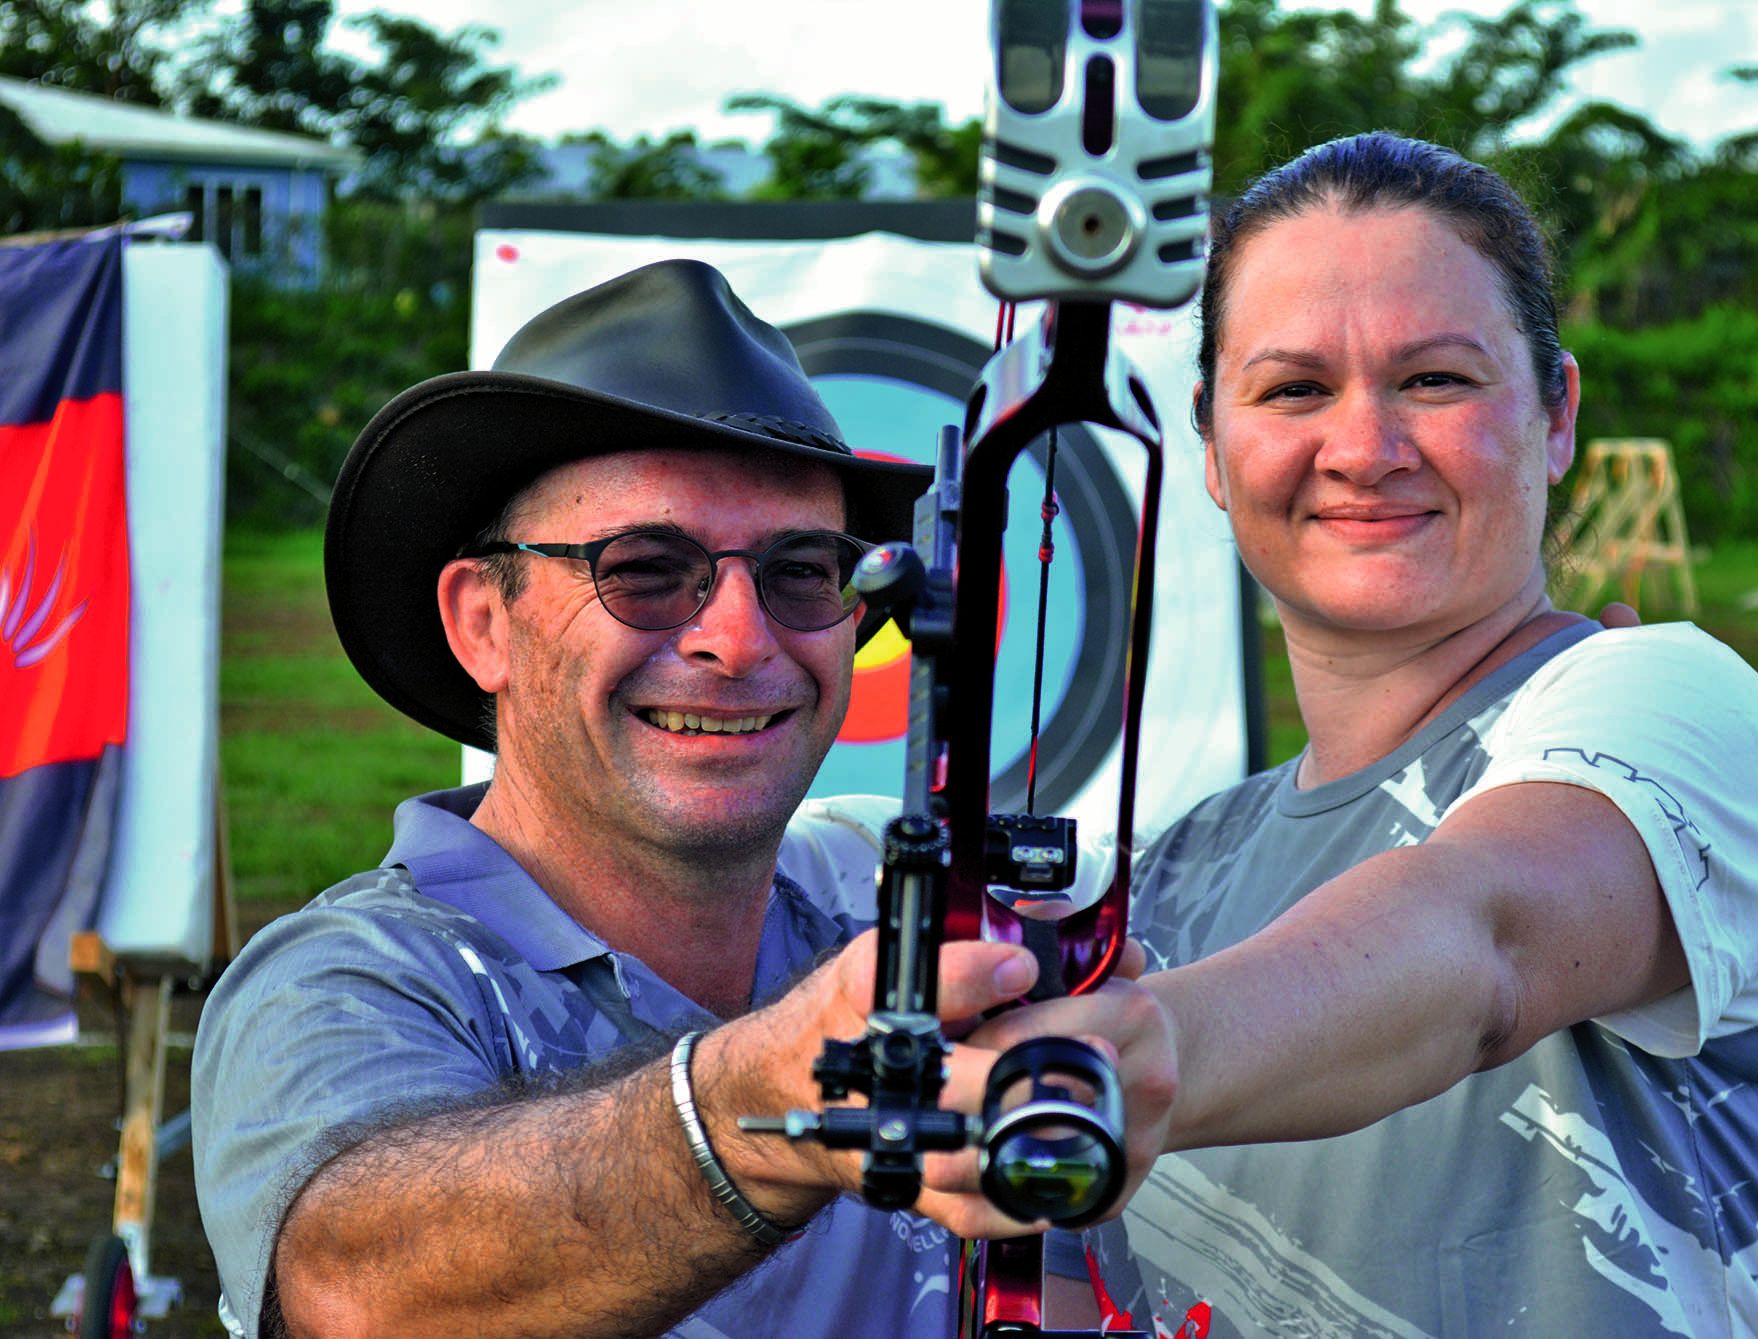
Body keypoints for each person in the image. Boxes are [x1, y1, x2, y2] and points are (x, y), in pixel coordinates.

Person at [190, 260, 1176, 1339]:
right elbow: (361, 1291)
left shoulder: (880, 918)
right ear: (483, 623)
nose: (739, 638)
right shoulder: (348, 981)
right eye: (645, 568)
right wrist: (778, 1109)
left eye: (802, 571)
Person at [1049, 133, 1758, 1336]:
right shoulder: (1169, 882)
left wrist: (1115, 1060)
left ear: (1556, 413)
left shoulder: (1673, 708)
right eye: (1293, 389)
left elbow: (1484, 938)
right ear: (1209, 442)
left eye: (1433, 380)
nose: (1362, 450)